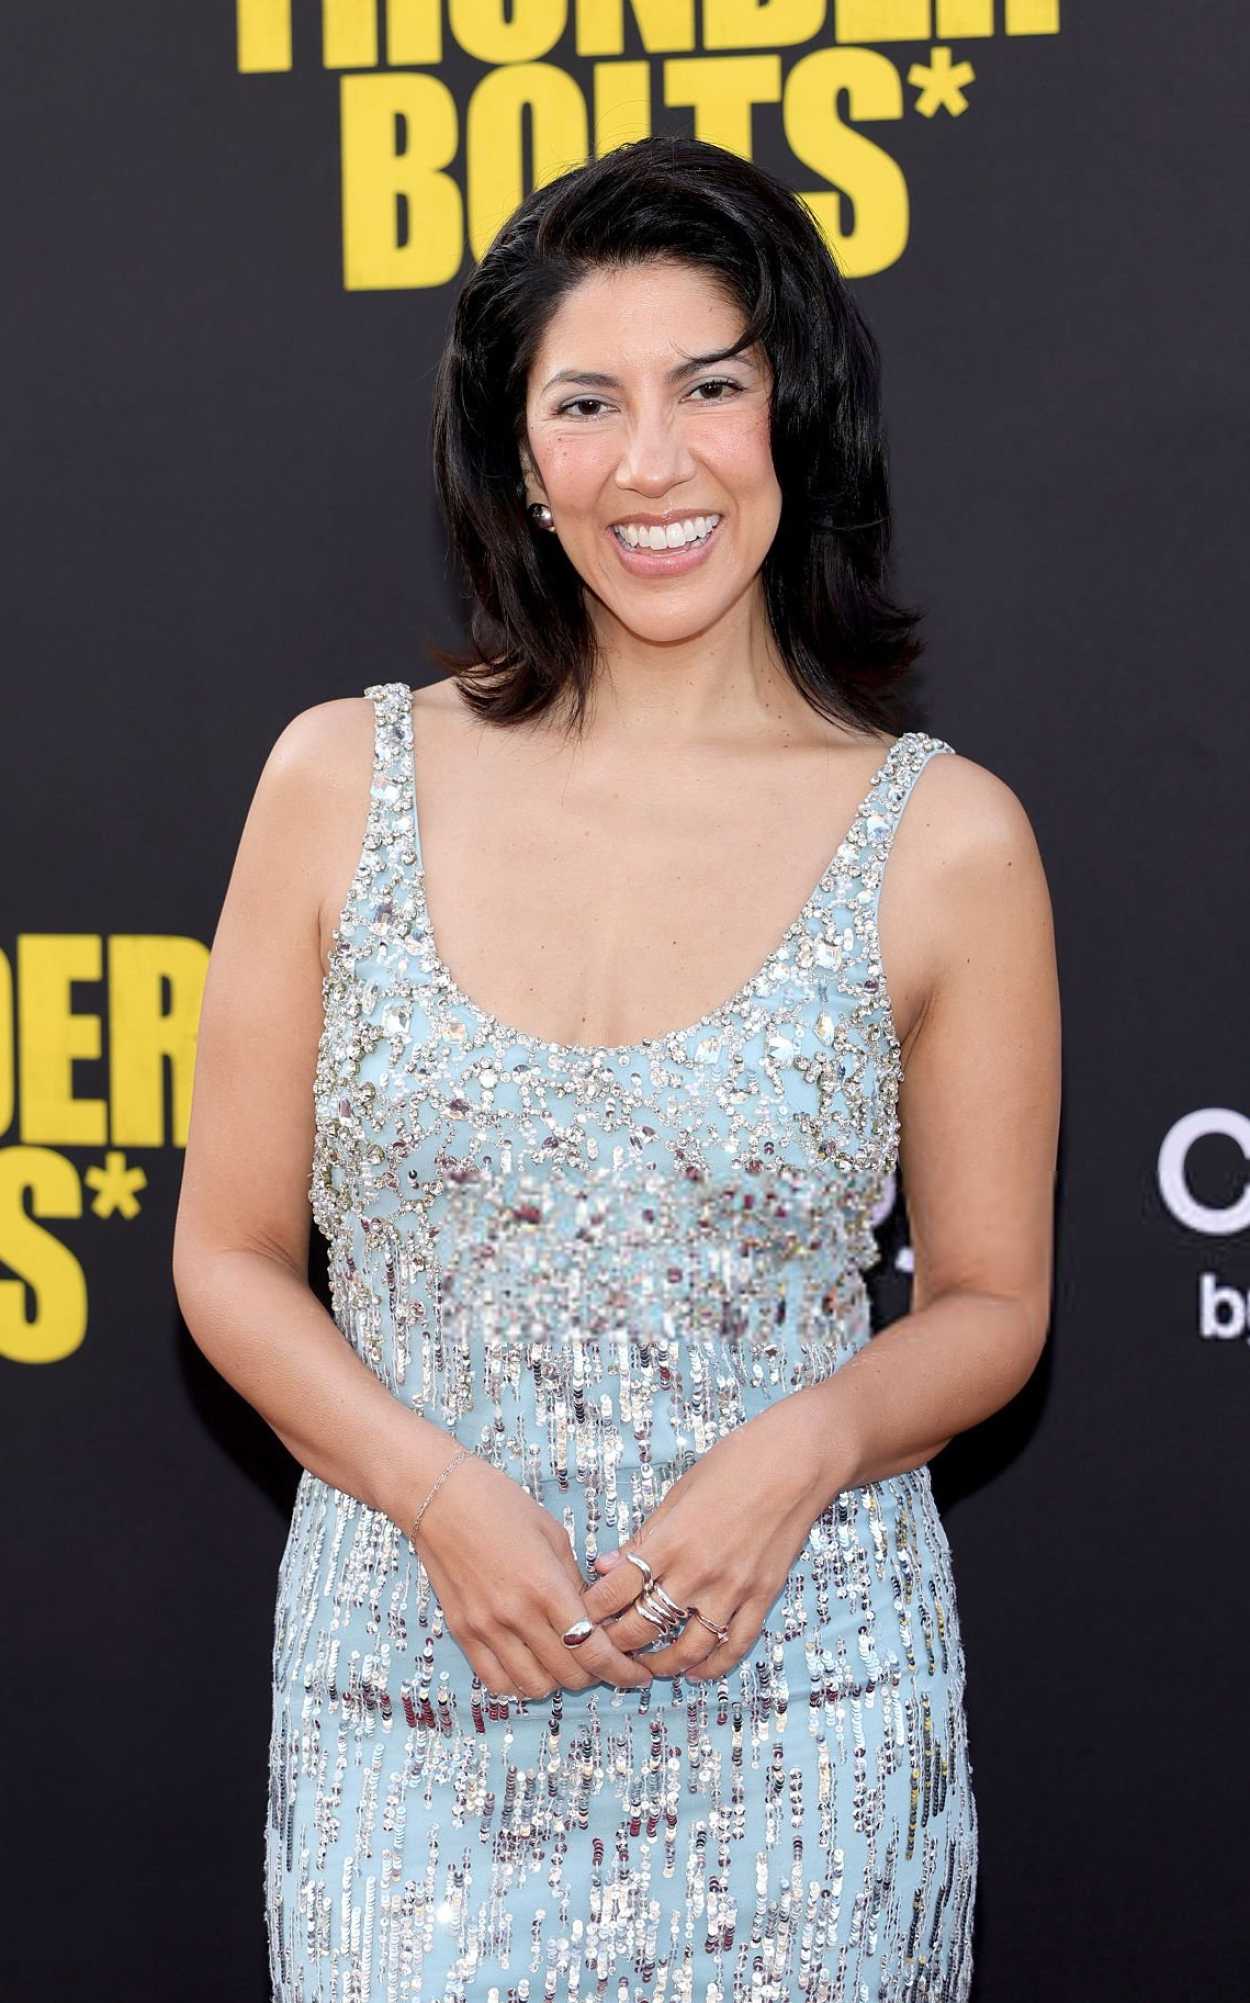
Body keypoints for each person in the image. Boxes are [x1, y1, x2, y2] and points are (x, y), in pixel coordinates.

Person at [173, 134, 1060, 2003]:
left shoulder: (946, 838)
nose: (652, 461)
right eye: (587, 403)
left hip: (806, 1713)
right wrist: (433, 1496)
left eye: (709, 388)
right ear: (520, 456)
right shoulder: (337, 781)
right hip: (404, 1701)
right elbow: (229, 1257)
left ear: (791, 417)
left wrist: (803, 1451)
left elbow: (990, 1306)